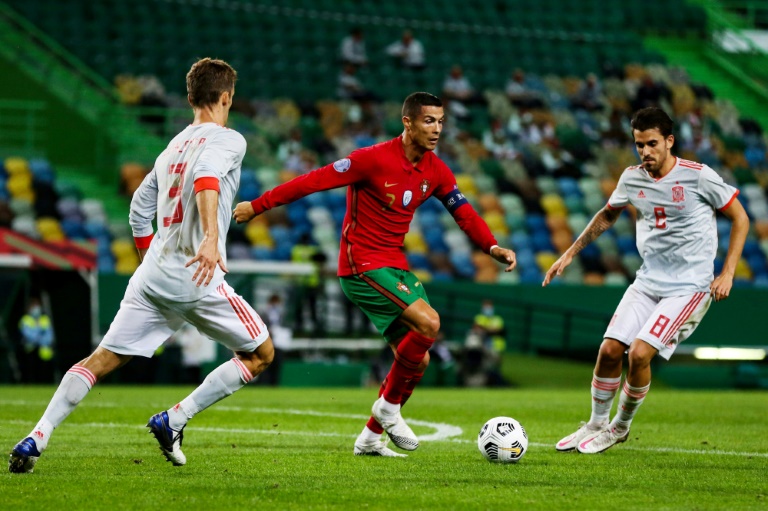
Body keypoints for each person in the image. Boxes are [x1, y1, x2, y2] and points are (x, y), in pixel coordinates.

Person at [9, 58, 275, 473]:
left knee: (100, 360)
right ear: (226, 97)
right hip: (196, 276)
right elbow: (207, 177)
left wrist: (151, 258)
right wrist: (209, 237)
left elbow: (138, 209)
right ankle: (175, 418)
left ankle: (36, 437)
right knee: (260, 353)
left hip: (152, 276)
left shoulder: (172, 148)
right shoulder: (230, 140)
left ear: (190, 98)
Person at [234, 92, 517, 457]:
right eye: (428, 121)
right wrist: (258, 205)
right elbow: (312, 181)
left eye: (441, 121)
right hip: (361, 264)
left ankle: (369, 438)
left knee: (418, 357)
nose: (436, 129)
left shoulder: (436, 170)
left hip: (394, 265)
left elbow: (464, 213)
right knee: (429, 323)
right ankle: (387, 409)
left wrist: (491, 247)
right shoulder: (371, 159)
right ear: (408, 122)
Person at [543, 107, 749, 454]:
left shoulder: (699, 176)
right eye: (639, 145)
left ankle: (619, 428)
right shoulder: (632, 178)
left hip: (689, 288)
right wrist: (570, 253)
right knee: (609, 350)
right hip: (647, 282)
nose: (645, 152)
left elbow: (740, 218)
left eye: (652, 143)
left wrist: (727, 272)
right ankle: (595, 424)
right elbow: (608, 214)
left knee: (639, 354)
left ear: (669, 141)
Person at [18, 297, 54, 382]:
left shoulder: (45, 319)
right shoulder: (25, 319)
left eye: (37, 306)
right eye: (34, 306)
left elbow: (49, 336)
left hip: (44, 352)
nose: (36, 309)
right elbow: (28, 334)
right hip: (30, 350)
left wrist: (40, 339)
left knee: (44, 374)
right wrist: (40, 334)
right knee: (30, 372)